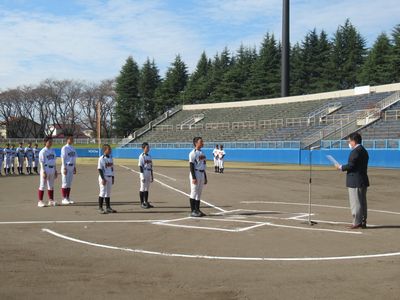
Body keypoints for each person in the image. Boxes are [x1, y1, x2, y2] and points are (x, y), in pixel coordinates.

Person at [335, 132, 369, 229]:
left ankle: (356, 222)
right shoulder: (363, 150)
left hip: (355, 181)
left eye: (349, 141)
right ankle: (362, 221)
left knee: (356, 202)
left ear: (354, 141)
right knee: (362, 202)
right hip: (362, 180)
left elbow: (351, 165)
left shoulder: (355, 151)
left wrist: (340, 167)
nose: (349, 143)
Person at [188, 137, 207, 217]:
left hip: (202, 173)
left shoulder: (202, 152)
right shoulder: (193, 153)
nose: (203, 142)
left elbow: (203, 165)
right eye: (201, 141)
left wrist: (205, 177)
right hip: (195, 173)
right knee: (194, 192)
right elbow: (191, 166)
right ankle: (193, 211)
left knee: (199, 193)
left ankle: (197, 209)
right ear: (196, 143)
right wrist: (194, 177)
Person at [38, 137, 58, 207]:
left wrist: (55, 170)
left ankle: (51, 200)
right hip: (45, 169)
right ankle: (40, 201)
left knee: (51, 186)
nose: (51, 143)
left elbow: (54, 161)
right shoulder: (43, 151)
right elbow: (41, 162)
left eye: (51, 141)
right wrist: (43, 171)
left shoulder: (52, 150)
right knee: (42, 185)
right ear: (45, 142)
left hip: (52, 169)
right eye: (49, 142)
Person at [97, 144, 116, 214]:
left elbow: (112, 168)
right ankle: (100, 207)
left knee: (108, 193)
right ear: (105, 150)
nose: (110, 150)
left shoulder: (110, 158)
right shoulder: (101, 158)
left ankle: (108, 207)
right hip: (104, 177)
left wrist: (113, 177)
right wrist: (103, 179)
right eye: (109, 149)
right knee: (102, 192)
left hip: (110, 177)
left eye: (110, 149)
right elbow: (100, 169)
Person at [60, 136, 77, 205]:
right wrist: (64, 168)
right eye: (70, 139)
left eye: (72, 139)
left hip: (71, 166)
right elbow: (63, 158)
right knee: (65, 183)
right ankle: (64, 198)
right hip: (66, 166)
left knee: (69, 184)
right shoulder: (64, 148)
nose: (72, 140)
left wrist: (75, 167)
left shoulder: (73, 148)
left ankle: (68, 197)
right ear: (67, 140)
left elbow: (74, 158)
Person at [138, 142, 154, 209]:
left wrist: (152, 176)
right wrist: (142, 176)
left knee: (147, 188)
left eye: (148, 147)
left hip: (148, 172)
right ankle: (142, 203)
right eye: (147, 147)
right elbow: (141, 166)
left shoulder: (149, 156)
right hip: (144, 172)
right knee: (142, 188)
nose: (148, 149)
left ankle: (146, 202)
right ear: (143, 148)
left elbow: (151, 166)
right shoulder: (141, 156)